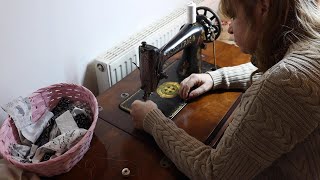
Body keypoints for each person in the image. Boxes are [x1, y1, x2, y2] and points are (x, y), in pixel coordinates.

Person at [130, 0, 320, 179]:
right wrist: (216, 77)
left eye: (235, 16)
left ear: (263, 8)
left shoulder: (285, 84)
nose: (229, 28)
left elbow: (215, 173)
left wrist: (152, 120)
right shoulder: (310, 45)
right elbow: (278, 70)